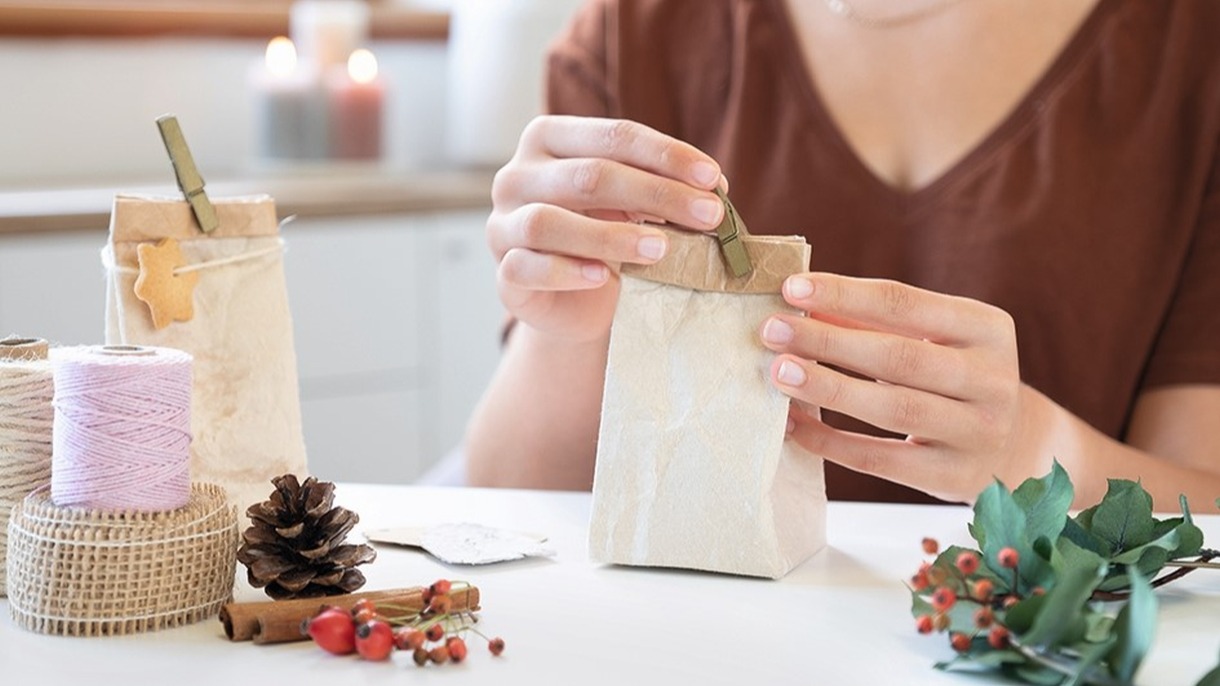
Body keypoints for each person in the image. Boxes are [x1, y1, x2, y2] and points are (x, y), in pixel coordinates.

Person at [461, 0, 1220, 511]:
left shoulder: (1189, 51)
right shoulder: (640, 29)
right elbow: (511, 499)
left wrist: (1038, 452)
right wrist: (569, 331)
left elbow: (1205, 506)